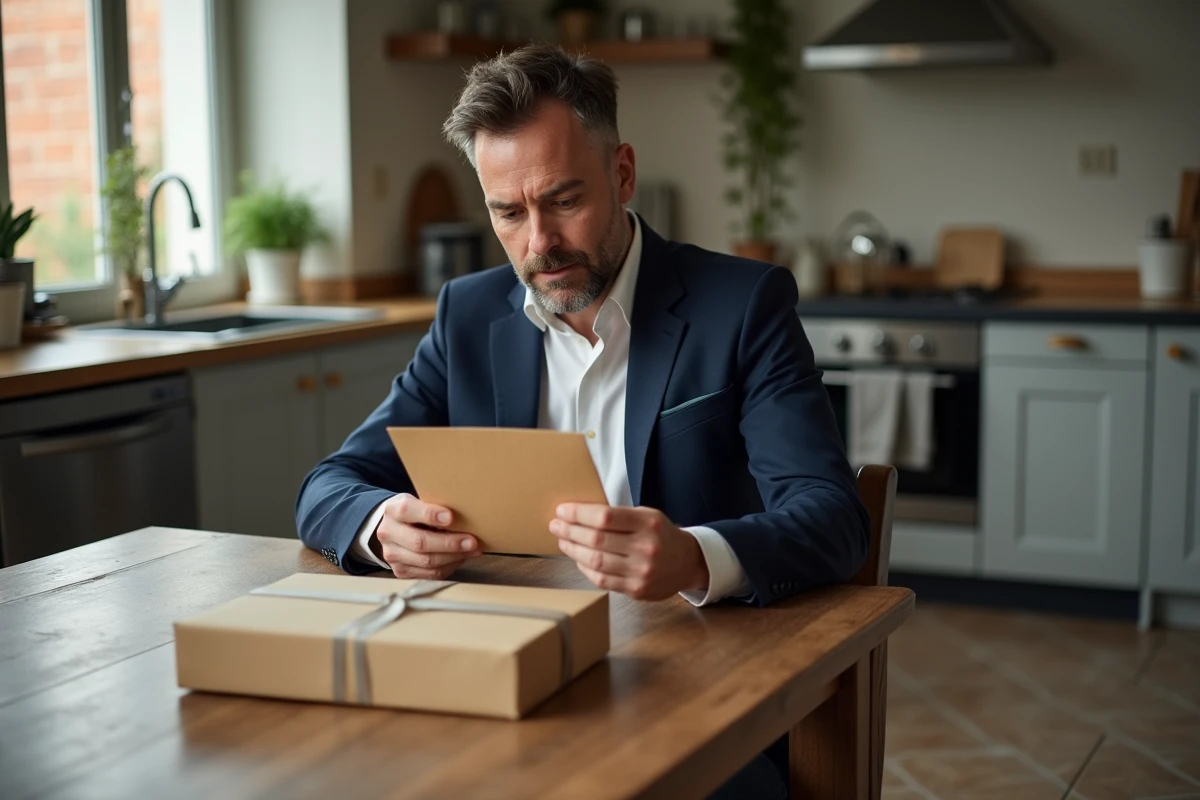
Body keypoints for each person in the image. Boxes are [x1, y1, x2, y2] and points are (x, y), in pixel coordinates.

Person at [296, 43, 869, 798]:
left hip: (696, 693)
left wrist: (695, 559)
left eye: (564, 201)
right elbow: (329, 484)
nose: (539, 244)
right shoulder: (467, 316)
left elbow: (832, 518)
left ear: (622, 174)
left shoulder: (744, 306)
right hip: (501, 679)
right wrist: (381, 522)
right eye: (508, 211)